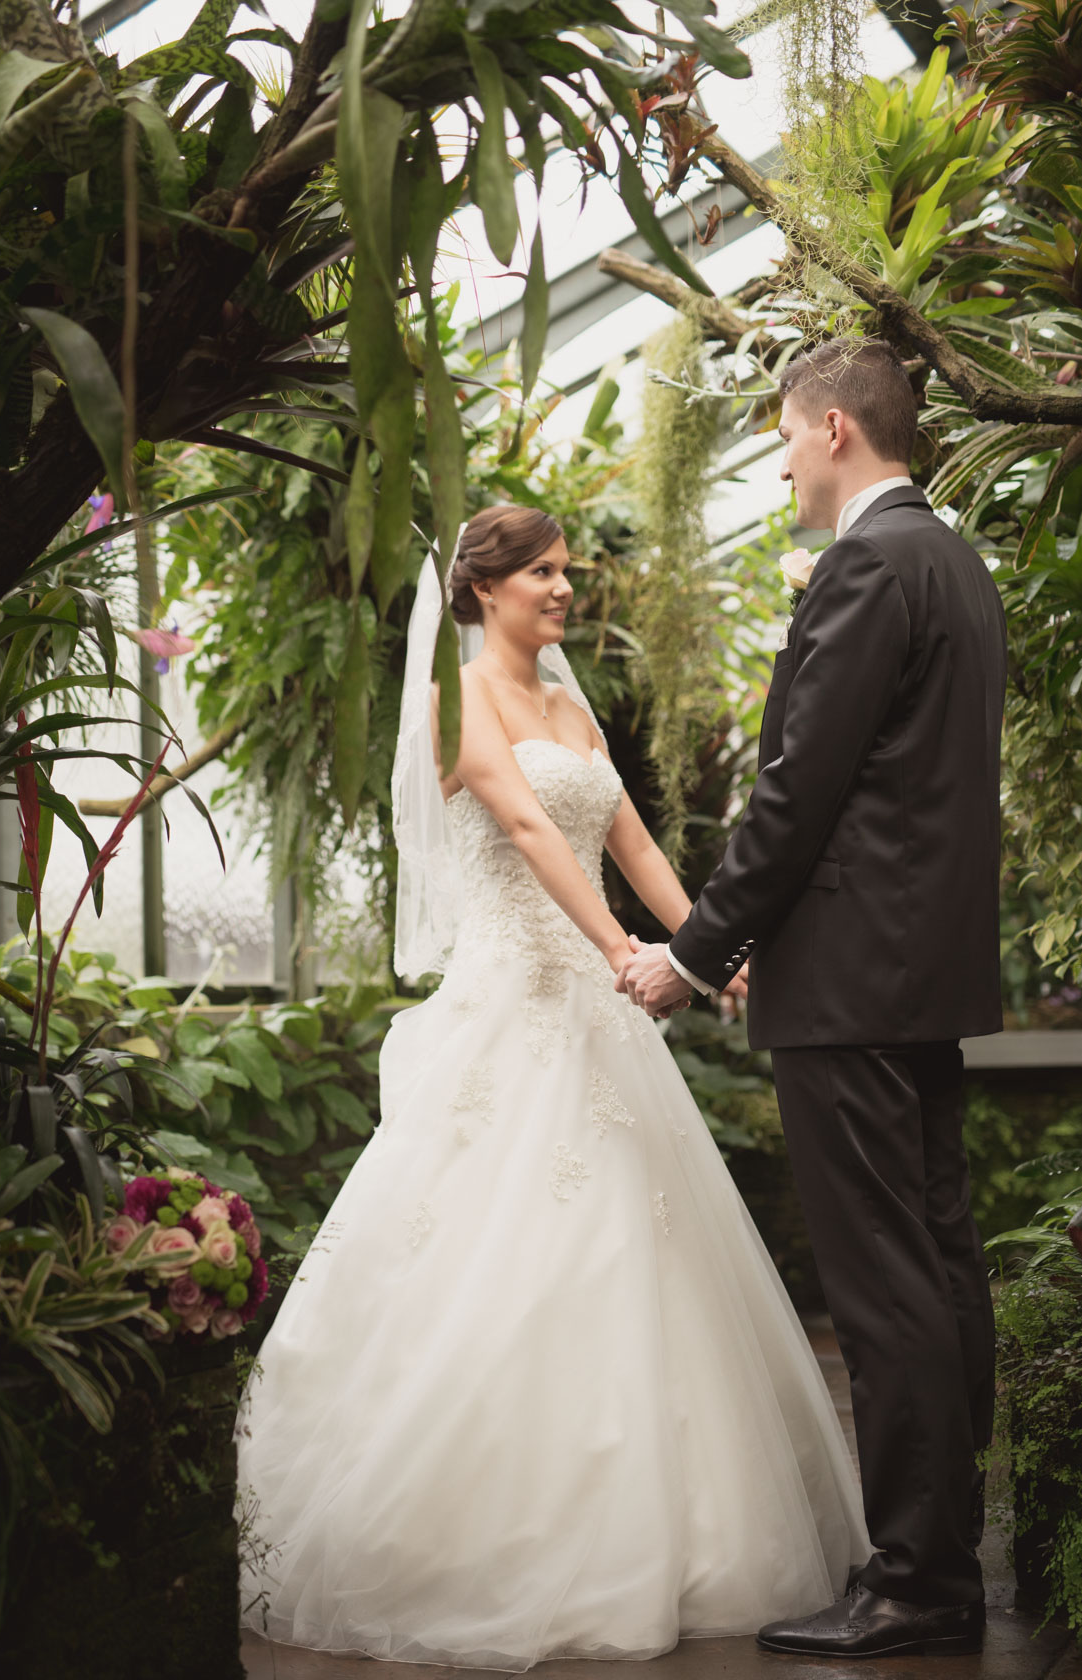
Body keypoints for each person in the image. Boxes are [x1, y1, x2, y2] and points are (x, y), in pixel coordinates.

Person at [235, 502, 870, 1670]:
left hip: (601, 1008)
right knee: (496, 1249)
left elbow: (626, 840)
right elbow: (527, 827)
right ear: (480, 591)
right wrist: (623, 954)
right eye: (540, 573)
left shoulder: (571, 704)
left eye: (564, 570)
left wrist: (707, 951)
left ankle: (673, 1536)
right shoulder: (455, 700)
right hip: (517, 997)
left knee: (640, 1250)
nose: (562, 589)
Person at [618, 337, 1006, 1659]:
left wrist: (694, 948)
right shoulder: (956, 563)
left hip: (847, 978)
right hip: (924, 971)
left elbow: (800, 789)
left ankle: (916, 1579)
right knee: (937, 1258)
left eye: (784, 436)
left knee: (883, 1279)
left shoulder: (867, 567)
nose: (780, 461)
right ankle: (945, 1551)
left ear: (835, 428)